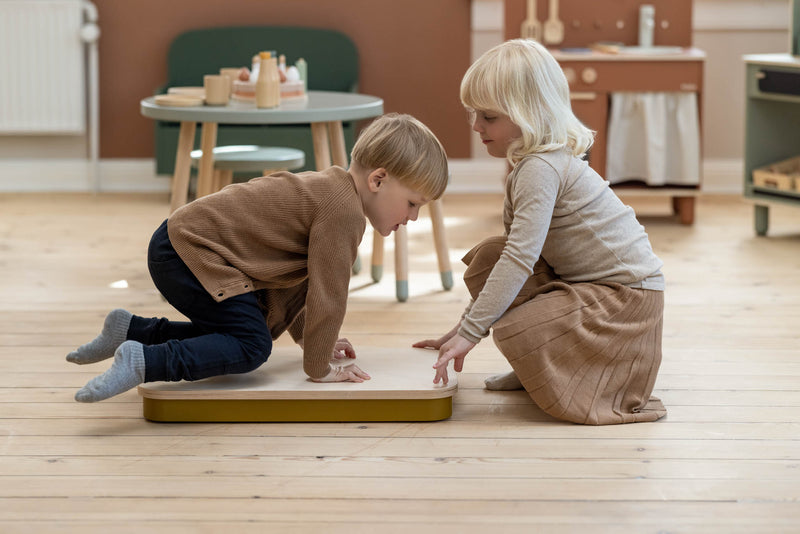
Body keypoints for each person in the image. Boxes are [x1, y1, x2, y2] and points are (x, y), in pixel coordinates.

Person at [68, 113, 449, 402]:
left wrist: (310, 341)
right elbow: (328, 296)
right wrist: (319, 366)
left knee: (240, 333)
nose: (412, 217)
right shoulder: (344, 213)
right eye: (413, 204)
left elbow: (302, 286)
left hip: (181, 243)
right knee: (251, 346)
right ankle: (145, 361)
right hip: (190, 251)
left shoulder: (332, 194)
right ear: (378, 181)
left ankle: (131, 331)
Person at [414, 39, 667, 425]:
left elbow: (521, 260)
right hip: (588, 286)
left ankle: (562, 375)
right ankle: (541, 370)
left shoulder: (540, 169)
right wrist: (459, 331)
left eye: (488, 117)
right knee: (489, 258)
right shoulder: (532, 166)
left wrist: (471, 333)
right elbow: (512, 258)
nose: (476, 126)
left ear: (528, 114)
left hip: (626, 300)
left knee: (515, 328)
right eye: (474, 114)